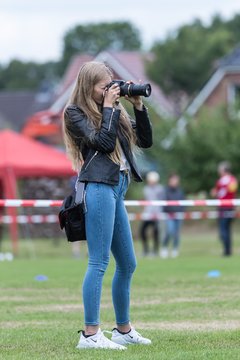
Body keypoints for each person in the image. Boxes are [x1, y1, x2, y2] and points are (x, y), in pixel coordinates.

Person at [63, 61, 152, 350]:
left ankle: (122, 329)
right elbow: (102, 143)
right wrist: (111, 108)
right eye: (104, 86)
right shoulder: (75, 113)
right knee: (99, 262)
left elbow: (146, 141)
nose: (110, 89)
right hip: (99, 188)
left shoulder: (116, 112)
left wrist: (137, 105)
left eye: (111, 83)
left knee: (127, 263)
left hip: (117, 188)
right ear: (89, 88)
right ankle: (90, 334)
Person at [211, 161, 238, 256]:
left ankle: (226, 251)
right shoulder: (233, 180)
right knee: (227, 229)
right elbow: (233, 191)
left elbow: (216, 193)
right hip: (230, 207)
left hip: (223, 207)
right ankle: (228, 250)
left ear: (223, 170)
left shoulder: (221, 181)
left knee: (223, 230)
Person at [160, 173, 185, 258]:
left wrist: (181, 211)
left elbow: (183, 203)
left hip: (178, 215)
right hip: (169, 215)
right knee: (169, 231)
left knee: (176, 234)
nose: (175, 182)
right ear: (169, 180)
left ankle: (175, 249)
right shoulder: (165, 190)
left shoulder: (180, 191)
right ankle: (164, 247)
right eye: (173, 180)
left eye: (176, 180)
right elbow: (163, 203)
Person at [140, 171, 164, 256]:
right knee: (142, 231)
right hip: (147, 213)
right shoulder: (146, 189)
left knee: (156, 232)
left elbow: (161, 202)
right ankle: (146, 249)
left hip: (156, 214)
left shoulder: (160, 189)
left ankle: (155, 250)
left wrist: (157, 213)